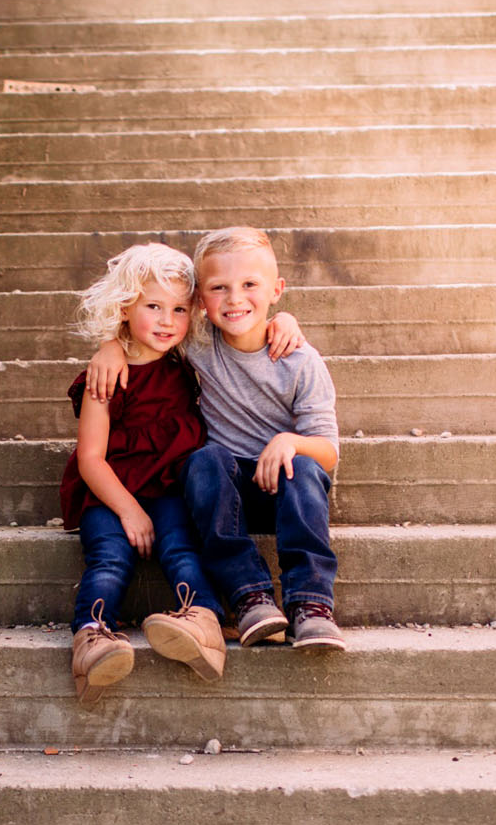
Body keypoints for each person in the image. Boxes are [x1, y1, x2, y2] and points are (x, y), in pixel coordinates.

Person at [89, 227, 343, 653]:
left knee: (306, 468)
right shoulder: (196, 343)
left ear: (277, 290)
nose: (234, 299)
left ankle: (311, 606)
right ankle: (250, 596)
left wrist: (290, 442)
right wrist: (110, 346)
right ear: (200, 303)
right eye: (218, 288)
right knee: (204, 459)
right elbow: (146, 331)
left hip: (285, 488)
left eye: (249, 286)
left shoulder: (302, 361)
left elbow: (329, 451)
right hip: (222, 493)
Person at [60, 243, 225, 706]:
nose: (167, 320)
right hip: (112, 493)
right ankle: (93, 641)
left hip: (171, 487)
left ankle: (203, 623)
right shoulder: (105, 376)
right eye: (153, 306)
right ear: (125, 308)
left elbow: (245, 331)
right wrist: (130, 511)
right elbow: (91, 458)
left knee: (182, 547)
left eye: (179, 309)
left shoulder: (186, 364)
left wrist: (285, 323)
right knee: (110, 557)